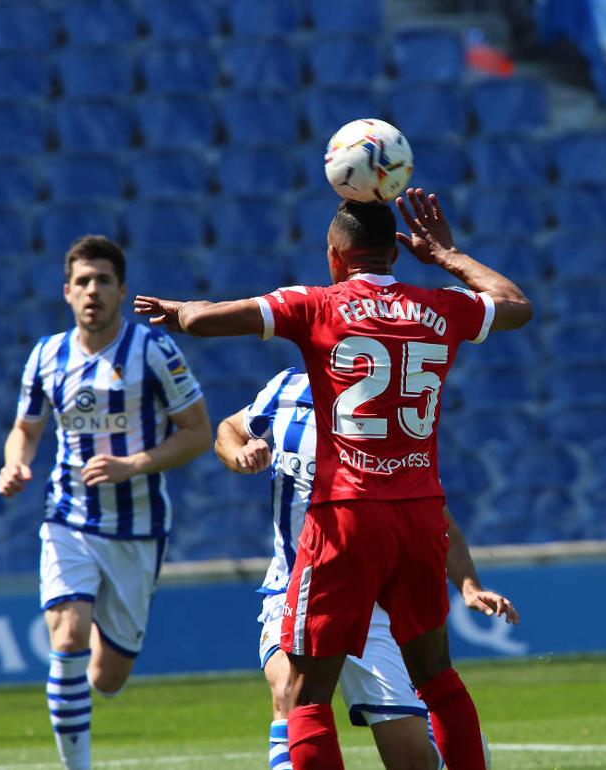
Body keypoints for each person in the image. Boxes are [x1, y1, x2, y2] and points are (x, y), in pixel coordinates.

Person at [134, 188, 532, 770]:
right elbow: (516, 304)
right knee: (437, 675)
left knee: (304, 695)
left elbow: (201, 319)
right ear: (394, 254)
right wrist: (448, 256)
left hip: (348, 514)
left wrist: (181, 311)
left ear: (335, 255)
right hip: (420, 510)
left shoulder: (317, 303)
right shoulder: (441, 305)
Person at [216, 368, 519, 770]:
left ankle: (440, 743)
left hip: (374, 602)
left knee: (412, 760)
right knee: (289, 688)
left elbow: (432, 512)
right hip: (295, 585)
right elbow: (229, 428)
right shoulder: (286, 386)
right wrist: (238, 454)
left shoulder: (389, 412)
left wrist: (467, 584)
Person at [0, 235, 213, 770]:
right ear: (67, 292)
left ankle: (98, 658)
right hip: (67, 517)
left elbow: (198, 433)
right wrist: (15, 462)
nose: (93, 291)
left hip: (138, 528)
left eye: (104, 281)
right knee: (67, 635)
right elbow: (24, 429)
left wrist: (132, 465)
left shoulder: (155, 350)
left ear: (122, 291)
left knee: (106, 680)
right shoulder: (46, 355)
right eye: (83, 282)